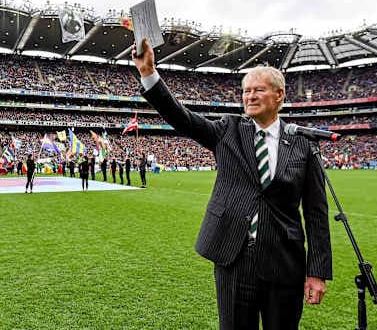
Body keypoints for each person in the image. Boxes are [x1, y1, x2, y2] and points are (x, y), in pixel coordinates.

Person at [132, 38, 332, 330]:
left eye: (258, 90)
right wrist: (149, 73)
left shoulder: (303, 144)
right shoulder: (228, 130)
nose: (249, 96)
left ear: (279, 95)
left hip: (284, 262)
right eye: (246, 91)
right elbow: (183, 118)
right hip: (234, 257)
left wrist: (317, 272)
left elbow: (316, 213)